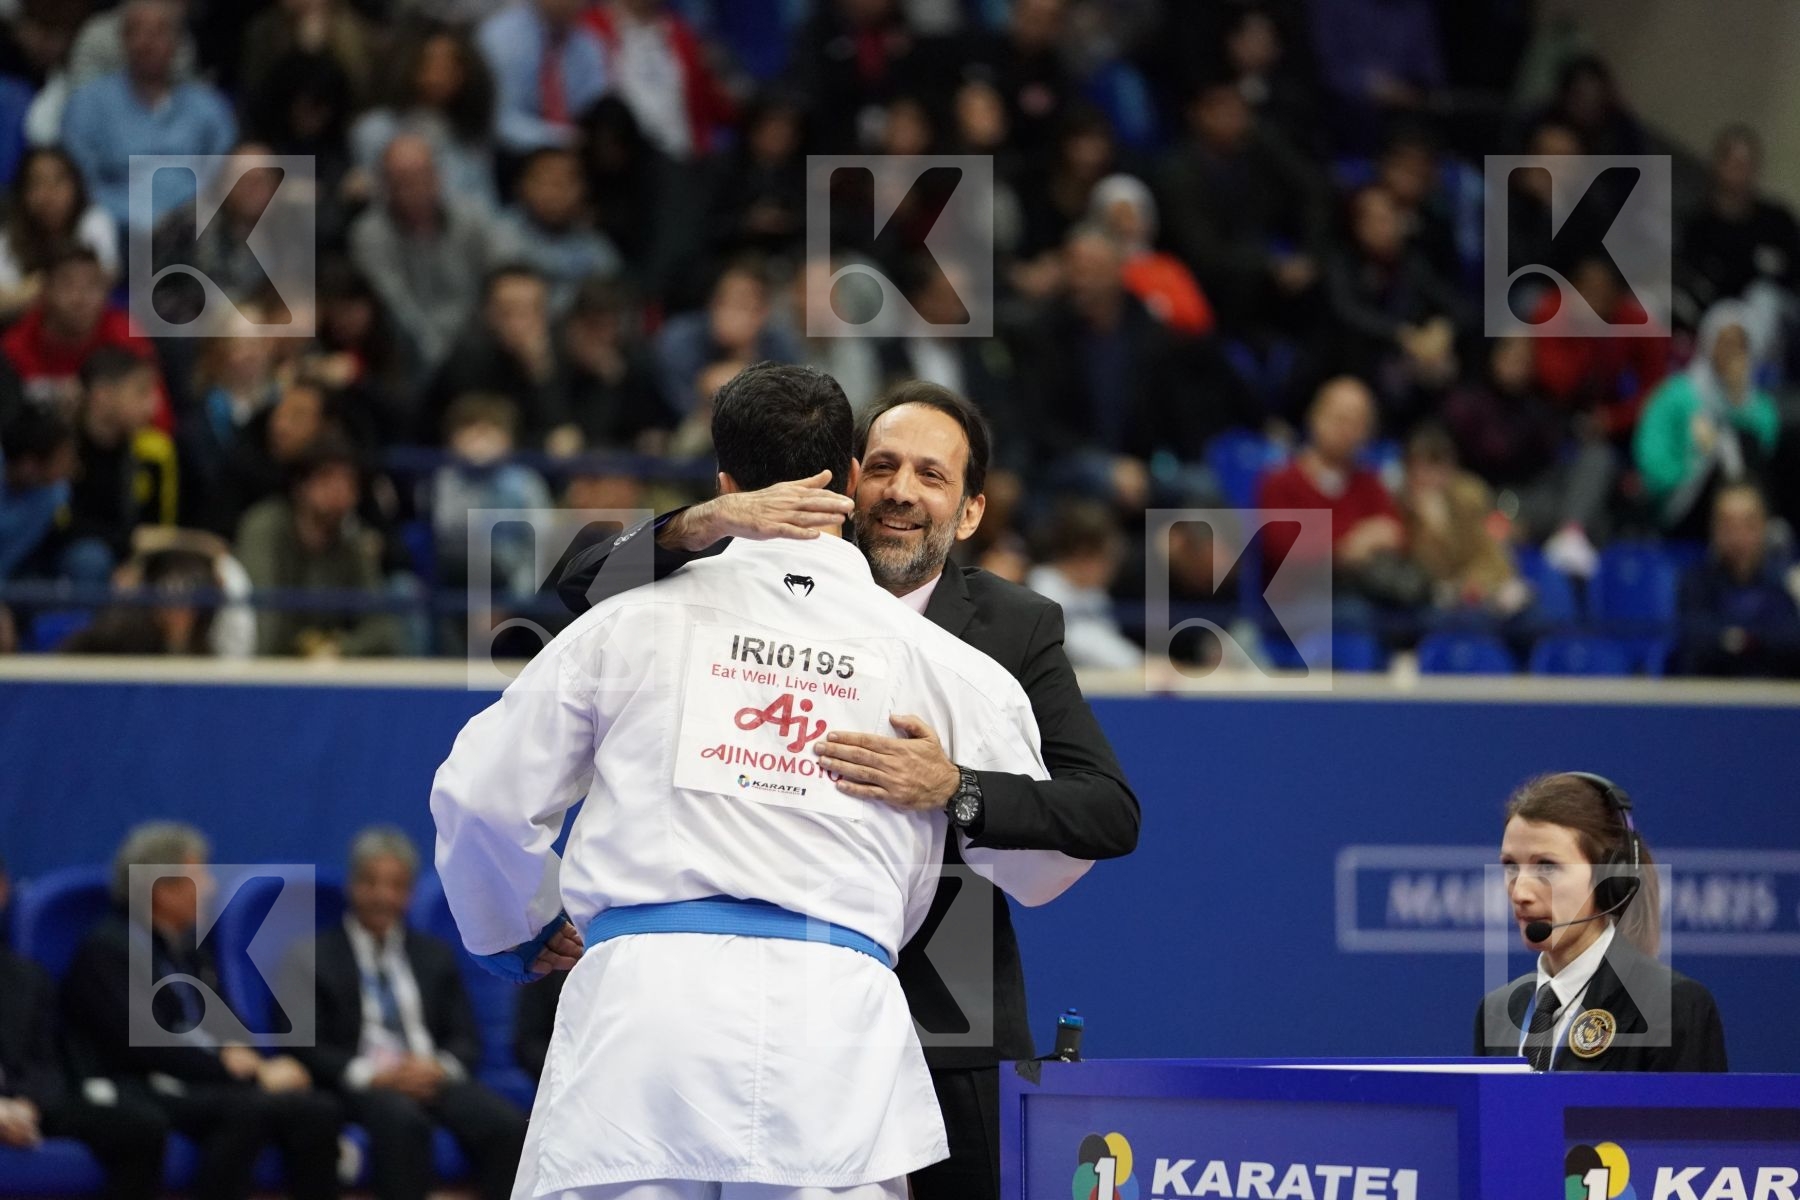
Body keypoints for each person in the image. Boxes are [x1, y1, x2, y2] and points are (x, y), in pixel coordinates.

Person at [432, 361, 1093, 1200]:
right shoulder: (947, 668)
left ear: (723, 482)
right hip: (836, 1035)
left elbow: (480, 795)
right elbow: (1048, 867)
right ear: (849, 476)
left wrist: (518, 925)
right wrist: (956, 787)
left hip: (642, 1023)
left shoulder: (624, 623)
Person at [61, 821, 344, 1199]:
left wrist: (255, 1062)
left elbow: (227, 1022)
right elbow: (149, 1044)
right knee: (248, 1110)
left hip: (200, 1078)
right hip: (137, 1084)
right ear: (163, 890)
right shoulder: (108, 949)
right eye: (199, 876)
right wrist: (241, 1071)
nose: (210, 887)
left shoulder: (189, 948)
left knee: (317, 1110)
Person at [291, 827, 526, 1200]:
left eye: (395, 886)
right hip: (363, 1085)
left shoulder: (435, 955)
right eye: (371, 882)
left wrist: (438, 1067)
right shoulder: (311, 957)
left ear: (409, 893)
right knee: (402, 1121)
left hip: (432, 1077)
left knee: (507, 1126)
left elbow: (466, 1039)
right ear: (352, 886)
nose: (383, 896)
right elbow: (308, 1046)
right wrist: (374, 1075)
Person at [1475, 772, 1728, 1072]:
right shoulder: (1497, 1012)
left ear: (1610, 877)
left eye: (1547, 866)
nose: (1520, 892)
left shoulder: (1672, 1006)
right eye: (1510, 866)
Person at [0, 911, 169, 1197]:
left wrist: (27, 1105)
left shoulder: (26, 976)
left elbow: (46, 1061)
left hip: (23, 1102)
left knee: (141, 1127)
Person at [59, 0, 235, 229]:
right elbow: (78, 177)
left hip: (194, 223)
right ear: (123, 40)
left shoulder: (209, 107)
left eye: (159, 32)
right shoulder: (88, 104)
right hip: (115, 222)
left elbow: (225, 173)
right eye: (138, 32)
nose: (148, 43)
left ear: (178, 42)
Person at [234, 432, 402, 657]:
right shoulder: (265, 527)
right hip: (270, 666)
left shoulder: (352, 539)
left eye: (349, 481)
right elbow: (262, 623)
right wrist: (299, 653)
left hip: (327, 666)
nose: (340, 491)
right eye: (327, 478)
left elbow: (382, 629)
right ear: (300, 485)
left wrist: (338, 648)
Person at [1633, 300, 1781, 541]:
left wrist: (1738, 403)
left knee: (1742, 439)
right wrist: (1696, 462)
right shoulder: (1674, 395)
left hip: (1743, 498)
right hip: (1682, 502)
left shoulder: (1759, 406)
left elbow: (1764, 454)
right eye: (1725, 343)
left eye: (1740, 345)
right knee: (1728, 442)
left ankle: (1757, 528)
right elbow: (1653, 464)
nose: (1732, 353)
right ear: (1708, 343)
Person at [1674, 483, 1800, 679]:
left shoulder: (1783, 581)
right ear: (1714, 529)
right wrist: (1756, 640)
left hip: (1774, 689)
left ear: (1763, 526)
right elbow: (1696, 639)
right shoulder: (1696, 581)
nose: (1738, 535)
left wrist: (1740, 639)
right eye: (1728, 525)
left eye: (1748, 524)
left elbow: (1791, 638)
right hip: (1711, 690)